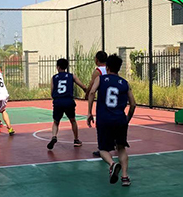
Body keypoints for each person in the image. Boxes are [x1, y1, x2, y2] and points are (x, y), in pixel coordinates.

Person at [87, 54, 136, 187]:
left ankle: (112, 164)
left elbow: (91, 92)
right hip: (120, 119)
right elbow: (133, 104)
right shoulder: (125, 83)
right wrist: (127, 119)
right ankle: (125, 177)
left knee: (103, 149)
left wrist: (89, 112)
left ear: (107, 67)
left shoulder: (101, 79)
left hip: (104, 119)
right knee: (121, 148)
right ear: (119, 68)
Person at [46, 58, 88, 149]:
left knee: (56, 122)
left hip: (58, 101)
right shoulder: (71, 76)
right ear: (66, 67)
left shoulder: (54, 78)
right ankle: (76, 140)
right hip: (69, 101)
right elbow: (83, 86)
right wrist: (86, 92)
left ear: (57, 67)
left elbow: (52, 91)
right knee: (73, 120)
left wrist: (55, 97)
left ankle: (54, 136)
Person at [85, 51, 109, 157]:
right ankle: (117, 143)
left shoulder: (97, 71)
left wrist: (87, 93)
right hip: (114, 100)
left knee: (101, 124)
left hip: (103, 99)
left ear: (97, 60)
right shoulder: (110, 69)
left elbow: (92, 85)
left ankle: (101, 148)